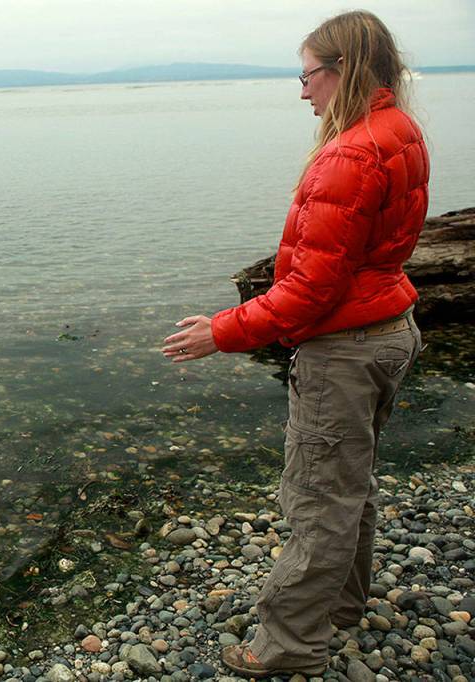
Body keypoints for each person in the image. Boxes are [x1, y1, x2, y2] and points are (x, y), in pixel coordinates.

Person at [160, 10, 429, 678]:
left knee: (318, 499)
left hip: (346, 350)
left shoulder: (350, 152)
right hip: (390, 331)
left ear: (342, 70)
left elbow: (310, 290)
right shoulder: (400, 129)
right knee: (350, 484)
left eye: (307, 75)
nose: (302, 90)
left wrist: (222, 331)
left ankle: (289, 646)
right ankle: (342, 605)